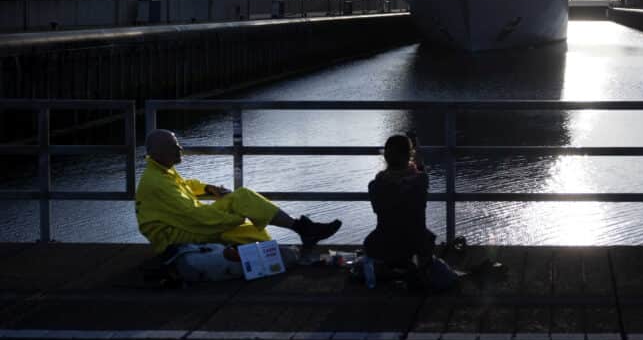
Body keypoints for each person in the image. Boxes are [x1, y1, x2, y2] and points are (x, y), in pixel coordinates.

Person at [135, 129, 341, 254]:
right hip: (173, 237)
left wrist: (207, 188)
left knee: (242, 197)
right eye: (175, 146)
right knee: (241, 221)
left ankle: (302, 230)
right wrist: (235, 218)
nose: (180, 149)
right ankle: (298, 234)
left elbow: (186, 185)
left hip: (183, 225)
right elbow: (195, 216)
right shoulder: (157, 182)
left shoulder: (161, 171)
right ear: (159, 152)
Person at [363, 134, 436, 266]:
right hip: (415, 244)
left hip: (385, 244)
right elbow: (420, 174)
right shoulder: (421, 180)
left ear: (385, 157)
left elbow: (378, 209)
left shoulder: (375, 185)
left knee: (369, 243)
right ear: (409, 156)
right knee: (426, 238)